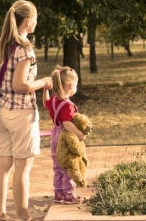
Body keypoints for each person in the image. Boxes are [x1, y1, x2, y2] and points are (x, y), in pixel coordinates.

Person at [0, 0, 52, 221]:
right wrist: (43, 82)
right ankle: (23, 216)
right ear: (28, 21)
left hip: (0, 112)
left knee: (3, 165)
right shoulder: (25, 49)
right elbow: (20, 85)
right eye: (35, 19)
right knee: (23, 167)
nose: (36, 22)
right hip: (21, 114)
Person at [43, 65, 85, 204]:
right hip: (63, 137)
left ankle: (58, 193)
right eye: (76, 85)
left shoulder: (55, 100)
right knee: (67, 166)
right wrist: (79, 134)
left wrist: (45, 91)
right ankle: (69, 194)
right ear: (70, 85)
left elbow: (45, 103)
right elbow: (67, 124)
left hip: (54, 134)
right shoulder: (68, 105)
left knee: (57, 166)